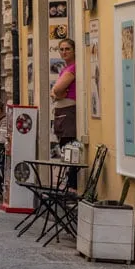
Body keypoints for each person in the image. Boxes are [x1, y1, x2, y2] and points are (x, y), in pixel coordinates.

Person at [51, 37, 78, 189]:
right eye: (61, 49)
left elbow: (56, 90)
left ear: (74, 50)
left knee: (69, 149)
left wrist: (57, 92)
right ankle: (70, 184)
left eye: (67, 49)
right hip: (62, 111)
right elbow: (55, 91)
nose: (64, 52)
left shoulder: (72, 69)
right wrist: (57, 92)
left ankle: (72, 186)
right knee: (65, 148)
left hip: (68, 112)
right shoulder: (64, 70)